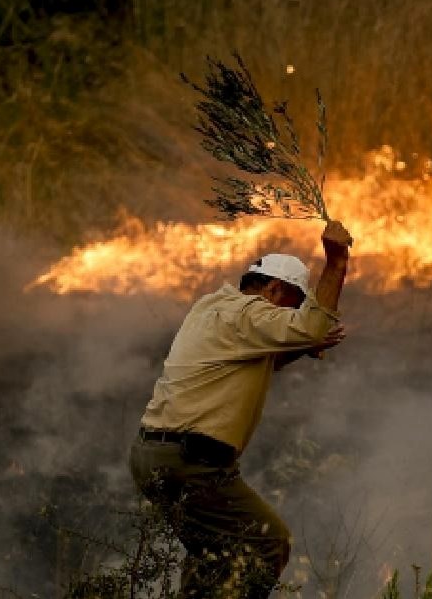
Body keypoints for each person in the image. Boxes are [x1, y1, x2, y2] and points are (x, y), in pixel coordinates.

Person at [129, 219, 354, 598]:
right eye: (291, 308)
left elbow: (261, 359)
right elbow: (313, 326)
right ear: (273, 289)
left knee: (215, 554)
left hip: (153, 454)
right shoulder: (250, 312)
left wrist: (297, 345)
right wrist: (335, 264)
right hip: (192, 461)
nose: (287, 319)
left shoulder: (213, 307)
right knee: (268, 542)